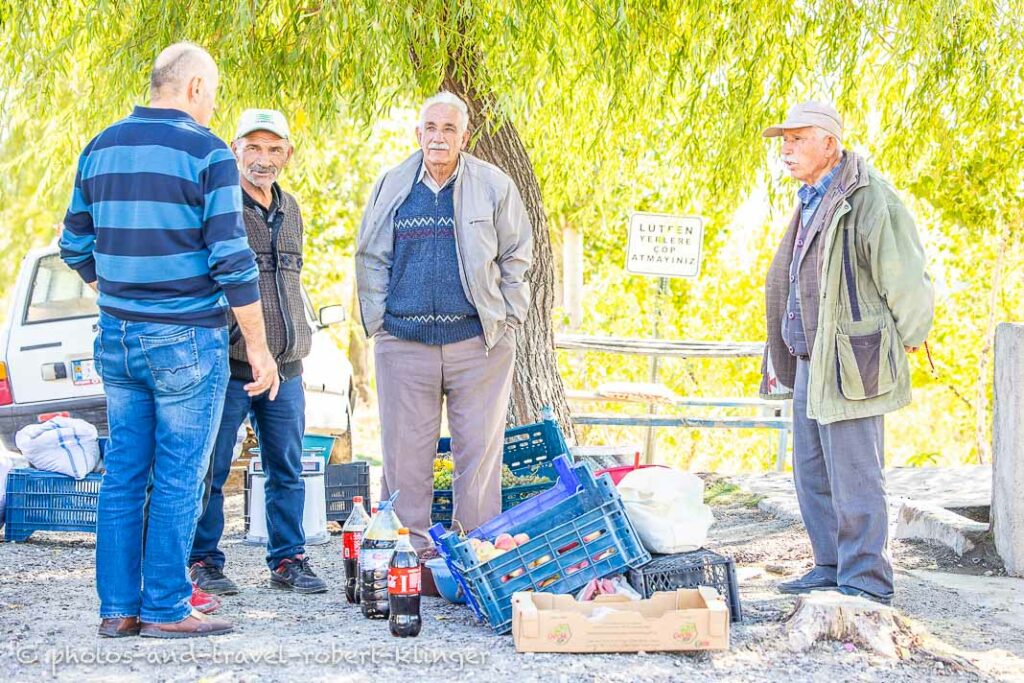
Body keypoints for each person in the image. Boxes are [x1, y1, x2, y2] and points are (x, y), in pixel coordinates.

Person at [59, 42, 280, 638]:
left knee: (126, 471)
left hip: (117, 335)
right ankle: (163, 606)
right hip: (185, 339)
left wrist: (122, 288)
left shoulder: (99, 147)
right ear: (194, 88)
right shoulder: (207, 152)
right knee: (181, 472)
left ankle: (117, 610)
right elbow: (234, 261)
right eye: (211, 91)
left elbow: (74, 246)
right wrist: (258, 349)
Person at [760, 101, 934, 605]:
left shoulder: (870, 197)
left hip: (853, 360)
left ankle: (865, 581)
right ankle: (830, 564)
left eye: (797, 139)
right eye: (783, 141)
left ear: (830, 144)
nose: (786, 150)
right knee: (813, 472)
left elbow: (906, 279)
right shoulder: (812, 196)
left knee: (856, 474)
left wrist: (907, 337)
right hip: (809, 358)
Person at [355, 91, 533, 553]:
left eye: (449, 129)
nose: (438, 137)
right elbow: (370, 256)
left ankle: (477, 553)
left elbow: (517, 255)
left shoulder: (493, 185)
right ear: (417, 134)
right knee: (404, 459)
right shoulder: (391, 184)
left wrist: (508, 319)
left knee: (476, 458)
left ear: (464, 136)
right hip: (404, 344)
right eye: (430, 128)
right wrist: (381, 324)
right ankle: (407, 557)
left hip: (477, 344)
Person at [189, 109, 327, 595]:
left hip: (287, 369)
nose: (263, 159)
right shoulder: (220, 206)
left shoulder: (292, 210)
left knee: (287, 469)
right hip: (229, 368)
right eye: (253, 148)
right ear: (234, 150)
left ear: (288, 154)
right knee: (213, 468)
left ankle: (288, 559)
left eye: (273, 149)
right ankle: (202, 560)